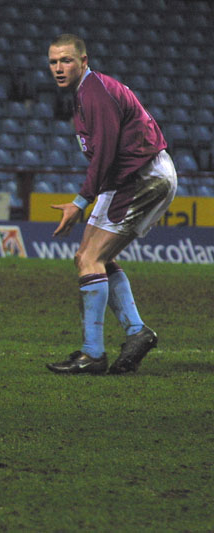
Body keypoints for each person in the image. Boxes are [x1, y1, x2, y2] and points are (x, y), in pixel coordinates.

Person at [45, 34, 177, 375]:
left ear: (84, 61)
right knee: (88, 258)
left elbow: (103, 154)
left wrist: (79, 202)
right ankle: (136, 331)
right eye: (53, 62)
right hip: (126, 178)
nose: (58, 67)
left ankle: (93, 354)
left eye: (66, 60)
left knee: (91, 258)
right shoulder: (85, 93)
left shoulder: (95, 94)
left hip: (142, 177)